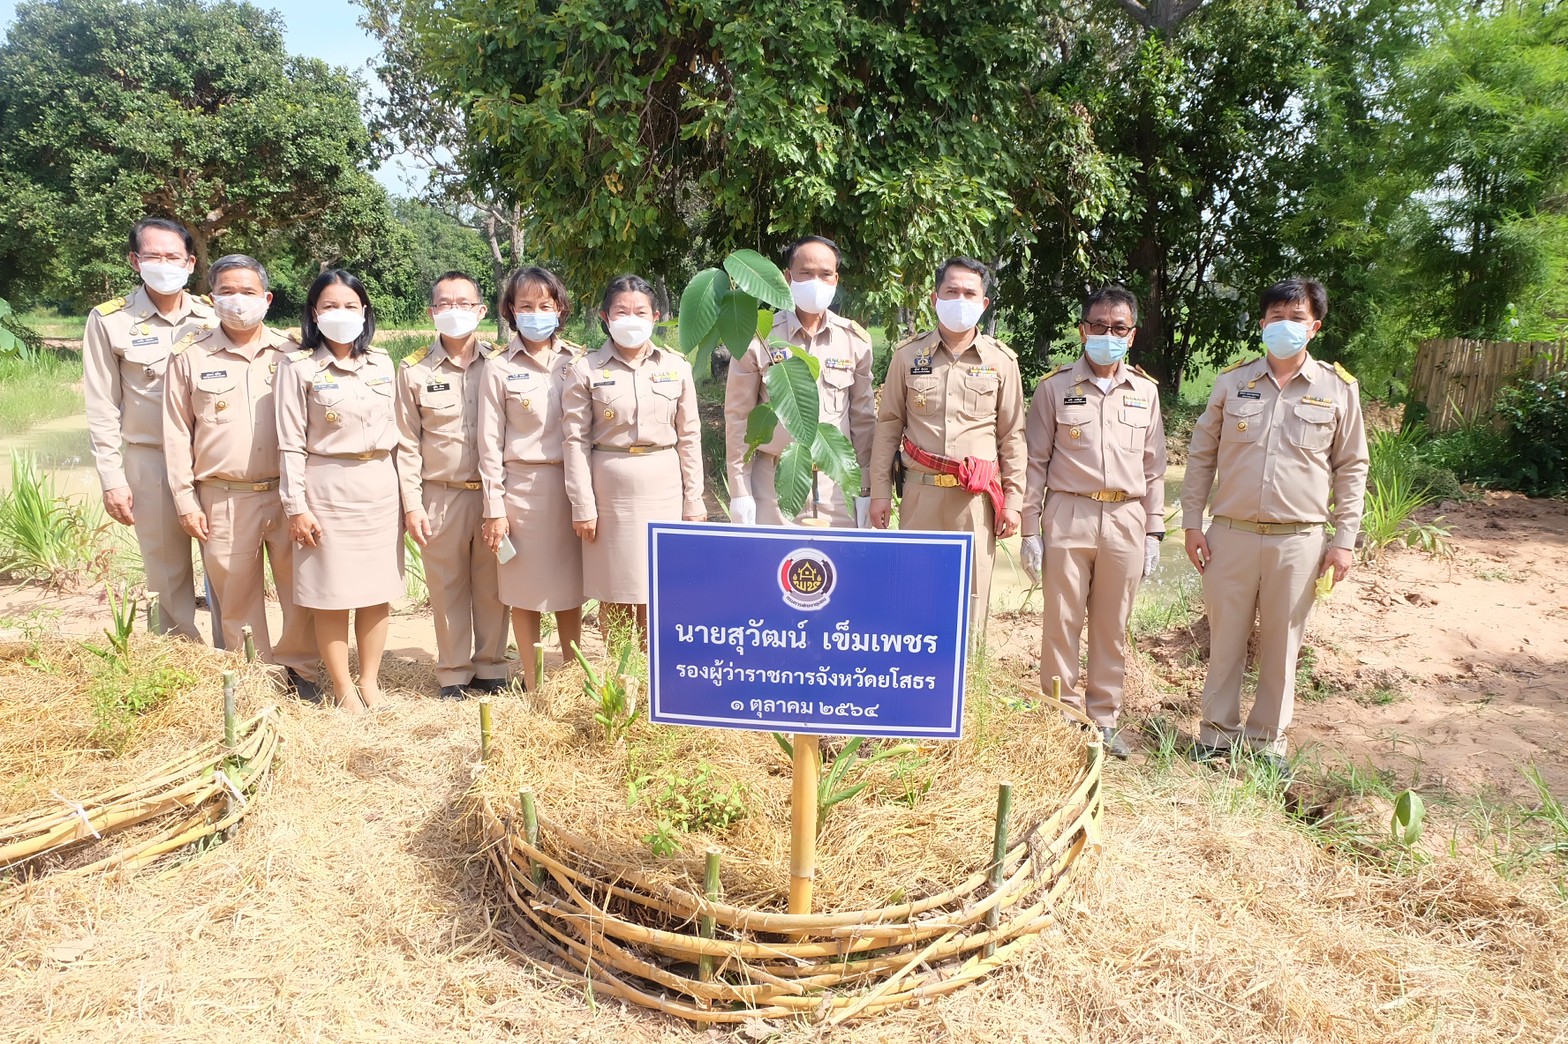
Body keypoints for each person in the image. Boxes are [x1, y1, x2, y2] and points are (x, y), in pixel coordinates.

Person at [1180, 277, 1369, 776]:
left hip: (1300, 539)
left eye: (1297, 318)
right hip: (1231, 534)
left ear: (1315, 327)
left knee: (1283, 645)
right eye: (1276, 317)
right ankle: (1216, 737)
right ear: (1262, 324)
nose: (1285, 326)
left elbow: (1352, 467)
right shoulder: (1231, 382)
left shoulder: (1337, 389)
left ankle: (1267, 743)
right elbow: (1201, 458)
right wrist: (1191, 523)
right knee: (1226, 639)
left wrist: (1343, 540)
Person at [163, 254, 320, 699]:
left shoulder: (293, 353)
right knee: (236, 595)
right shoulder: (190, 357)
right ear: (211, 299)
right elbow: (175, 435)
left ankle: (302, 671)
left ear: (267, 298)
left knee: (301, 589)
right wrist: (185, 501)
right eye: (227, 292)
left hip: (288, 494)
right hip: (224, 496)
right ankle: (257, 679)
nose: (238, 301)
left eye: (247, 292)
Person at [1019, 287, 1166, 758]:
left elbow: (1155, 467)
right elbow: (1033, 463)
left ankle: (1103, 719)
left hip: (1126, 517)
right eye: (1099, 326)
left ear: (1132, 334)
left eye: (1118, 328)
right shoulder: (1054, 388)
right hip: (1069, 512)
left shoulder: (1145, 392)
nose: (1108, 335)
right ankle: (1061, 717)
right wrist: (1028, 529)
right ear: (1083, 330)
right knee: (1061, 621)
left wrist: (1155, 531)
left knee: (1112, 625)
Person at [868, 257, 1026, 635]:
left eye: (970, 293)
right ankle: (915, 680)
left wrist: (1015, 503)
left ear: (984, 303)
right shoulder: (908, 356)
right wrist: (879, 494)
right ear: (934, 297)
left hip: (975, 502)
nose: (960, 299)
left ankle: (969, 682)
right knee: (913, 597)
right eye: (951, 291)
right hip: (920, 498)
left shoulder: (1002, 362)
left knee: (971, 601)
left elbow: (1012, 436)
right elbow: (888, 426)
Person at [275, 270, 403, 713]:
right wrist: (296, 506)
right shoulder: (298, 368)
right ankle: (343, 688)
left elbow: (402, 436)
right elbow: (290, 442)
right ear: (314, 313)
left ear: (364, 311)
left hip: (380, 487)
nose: (341, 314)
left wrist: (410, 499)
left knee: (376, 589)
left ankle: (370, 681)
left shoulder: (383, 364)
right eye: (330, 306)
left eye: (350, 305)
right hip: (326, 488)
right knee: (331, 593)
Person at [83, 216, 216, 641]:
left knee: (227, 566)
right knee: (166, 571)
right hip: (151, 461)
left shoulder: (212, 317)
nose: (164, 263)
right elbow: (102, 406)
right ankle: (179, 664)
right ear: (135, 261)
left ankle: (239, 659)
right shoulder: (110, 321)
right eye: (153, 255)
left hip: (210, 459)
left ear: (190, 262)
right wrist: (111, 478)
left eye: (173, 256)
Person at [561, 275, 705, 640]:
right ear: (605, 316)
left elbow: (689, 437)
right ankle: (620, 675)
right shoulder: (586, 369)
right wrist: (583, 504)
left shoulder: (675, 366)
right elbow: (575, 440)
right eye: (621, 311)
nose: (631, 318)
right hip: (611, 492)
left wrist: (695, 499)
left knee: (660, 587)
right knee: (616, 588)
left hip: (664, 487)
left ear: (656, 316)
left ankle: (653, 676)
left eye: (640, 311)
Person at [395, 271, 509, 700]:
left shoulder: (501, 363)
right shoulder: (413, 370)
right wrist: (412, 504)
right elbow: (406, 443)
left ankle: (491, 665)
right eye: (445, 303)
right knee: (446, 589)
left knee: (494, 585)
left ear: (481, 311)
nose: (454, 311)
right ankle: (453, 672)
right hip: (439, 495)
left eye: (464, 303)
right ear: (432, 312)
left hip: (493, 495)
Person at [723, 235, 875, 527]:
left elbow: (863, 419)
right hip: (773, 485)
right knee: (773, 571)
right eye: (806, 273)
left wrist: (865, 488)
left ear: (835, 280)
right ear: (788, 277)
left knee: (838, 570)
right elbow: (738, 417)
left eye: (825, 274)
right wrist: (740, 491)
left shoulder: (854, 340)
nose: (815, 281)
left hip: (836, 485)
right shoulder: (759, 337)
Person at [477, 267, 585, 669]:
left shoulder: (578, 361)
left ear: (559, 308)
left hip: (572, 489)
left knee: (570, 589)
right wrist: (494, 507)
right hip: (522, 488)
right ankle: (533, 680)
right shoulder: (498, 367)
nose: (536, 312)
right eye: (526, 305)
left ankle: (575, 675)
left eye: (545, 304)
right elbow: (488, 443)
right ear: (510, 310)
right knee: (525, 591)